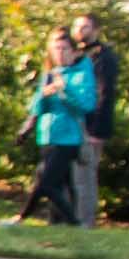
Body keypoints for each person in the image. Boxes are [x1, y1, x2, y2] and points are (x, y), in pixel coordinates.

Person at [23, 15, 112, 230]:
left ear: (74, 51)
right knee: (60, 183)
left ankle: (77, 223)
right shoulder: (51, 72)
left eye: (63, 49)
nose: (59, 53)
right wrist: (41, 102)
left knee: (50, 184)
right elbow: (37, 106)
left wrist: (64, 91)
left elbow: (88, 103)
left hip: (70, 136)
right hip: (48, 135)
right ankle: (58, 224)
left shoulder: (87, 68)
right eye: (55, 49)